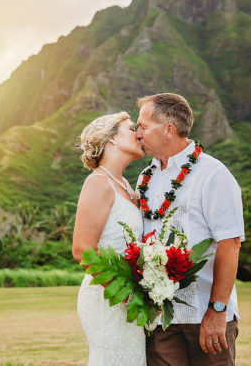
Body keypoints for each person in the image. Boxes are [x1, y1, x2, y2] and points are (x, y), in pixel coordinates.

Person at [135, 93, 244, 366]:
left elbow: (230, 243)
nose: (137, 134)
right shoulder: (145, 178)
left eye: (143, 127)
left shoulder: (213, 174)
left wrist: (217, 310)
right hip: (161, 317)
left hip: (205, 314)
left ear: (168, 129)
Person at [72, 111, 147, 366]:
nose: (139, 134)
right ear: (112, 139)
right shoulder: (98, 183)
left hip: (130, 297)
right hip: (107, 297)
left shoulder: (127, 186)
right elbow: (82, 250)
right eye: (131, 128)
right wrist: (124, 292)